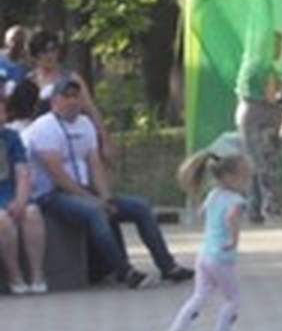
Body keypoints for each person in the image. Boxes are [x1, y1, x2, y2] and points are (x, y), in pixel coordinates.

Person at [25, 80, 191, 288]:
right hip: (52, 195)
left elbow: (95, 164)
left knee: (140, 206)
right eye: (66, 97)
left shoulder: (85, 125)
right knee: (96, 212)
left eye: (76, 96)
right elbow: (58, 175)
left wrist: (106, 196)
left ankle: (168, 266)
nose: (72, 101)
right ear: (54, 102)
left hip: (85, 191)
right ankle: (124, 271)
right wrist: (93, 200)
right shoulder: (44, 128)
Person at [163, 136, 251, 331]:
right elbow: (232, 217)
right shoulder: (236, 200)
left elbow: (203, 214)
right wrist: (233, 239)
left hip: (204, 255)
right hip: (222, 257)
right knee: (233, 299)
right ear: (230, 177)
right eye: (245, 176)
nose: (247, 181)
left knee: (200, 295)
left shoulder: (213, 195)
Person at [233, 30, 282, 223]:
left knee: (253, 162)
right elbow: (271, 95)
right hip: (262, 119)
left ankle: (253, 208)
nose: (281, 51)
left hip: (246, 116)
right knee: (267, 163)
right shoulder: (266, 68)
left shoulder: (251, 65)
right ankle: (270, 208)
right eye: (279, 46)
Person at [0, 93, 47, 294]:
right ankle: (15, 275)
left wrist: (20, 199)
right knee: (3, 220)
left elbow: (22, 171)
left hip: (10, 191)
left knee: (32, 213)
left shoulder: (11, 137)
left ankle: (37, 275)